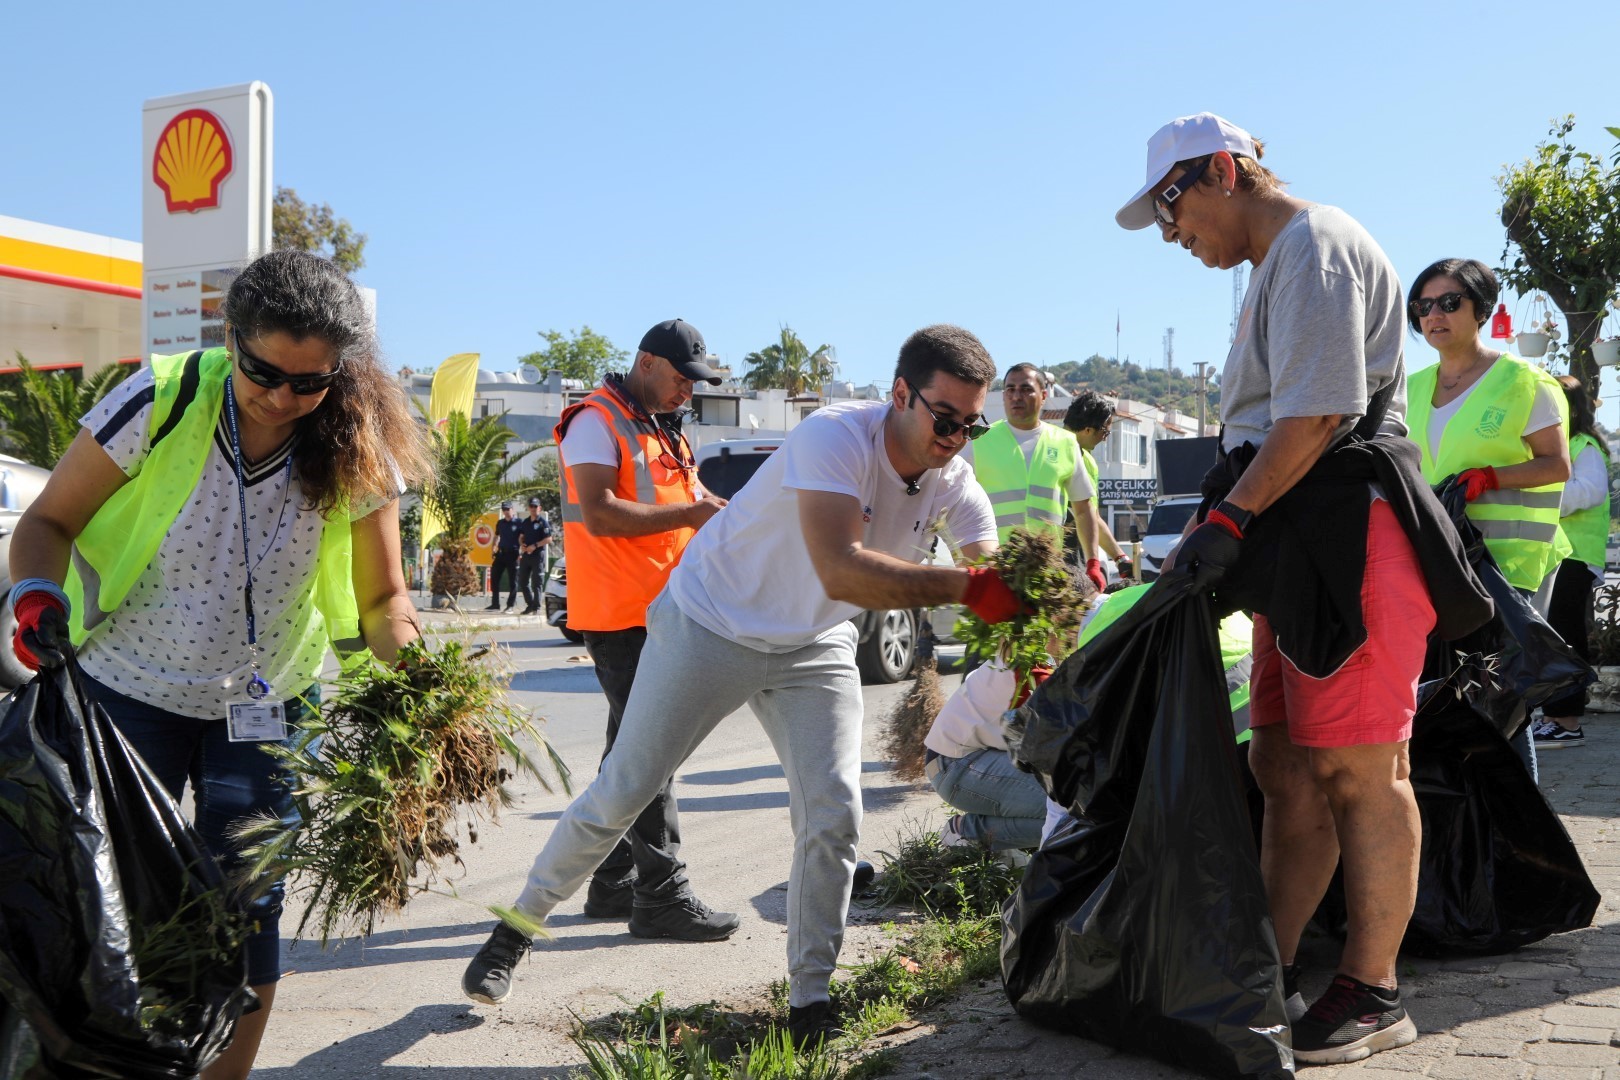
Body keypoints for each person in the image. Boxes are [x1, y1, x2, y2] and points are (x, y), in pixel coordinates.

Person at [462, 324, 1015, 1046]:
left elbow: (992, 559)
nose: (957, 438)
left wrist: (1026, 598)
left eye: (972, 425)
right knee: (626, 787)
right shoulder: (834, 436)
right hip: (711, 622)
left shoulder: (955, 479)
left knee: (834, 811)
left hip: (812, 645)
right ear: (901, 394)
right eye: (946, 419)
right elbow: (840, 570)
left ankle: (809, 1002)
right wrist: (972, 588)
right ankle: (516, 929)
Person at [1117, 112, 1489, 1064]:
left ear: (1225, 172)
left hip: (1347, 537)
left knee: (1361, 770)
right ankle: (1269, 972)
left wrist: (1227, 521)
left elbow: (1319, 412)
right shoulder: (1272, 269)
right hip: (1303, 543)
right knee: (1283, 767)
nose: (1175, 235)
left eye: (1173, 209)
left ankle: (1373, 991)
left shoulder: (1315, 244)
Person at [6, 249, 431, 1080]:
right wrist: (34, 594)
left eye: (309, 383)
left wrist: (419, 672)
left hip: (269, 703)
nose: (283, 398)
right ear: (229, 339)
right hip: (129, 694)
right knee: (116, 895)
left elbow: (385, 601)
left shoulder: (358, 439)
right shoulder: (157, 400)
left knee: (248, 901)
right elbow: (49, 521)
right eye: (263, 371)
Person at [552, 317, 734, 936]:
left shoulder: (659, 427)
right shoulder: (594, 422)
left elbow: (691, 509)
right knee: (650, 756)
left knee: (627, 756)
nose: (690, 391)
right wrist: (694, 510)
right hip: (621, 617)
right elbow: (600, 514)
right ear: (647, 363)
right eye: (683, 379)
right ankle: (661, 896)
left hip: (664, 612)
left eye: (696, 383)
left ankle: (612, 884)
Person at [1404, 257, 1571, 779]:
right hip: (1439, 560)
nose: (1435, 315)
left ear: (1481, 310)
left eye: (1450, 302)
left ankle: (1522, 830)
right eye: (1424, 306)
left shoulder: (1524, 381)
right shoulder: (1409, 387)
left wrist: (1492, 477)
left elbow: (1557, 464)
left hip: (1511, 566)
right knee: (1450, 695)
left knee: (1501, 700)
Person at [966, 363, 1104, 592]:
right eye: (1010, 389)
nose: (1016, 396)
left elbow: (1083, 509)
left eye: (1025, 389)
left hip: (1048, 572)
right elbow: (954, 503)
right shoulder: (978, 441)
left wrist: (1093, 562)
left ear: (1043, 396)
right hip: (995, 571)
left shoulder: (1066, 443)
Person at [1534, 374, 1609, 749]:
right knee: (1555, 633)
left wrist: (1541, 499)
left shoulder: (1584, 445)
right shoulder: (1565, 446)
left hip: (1575, 555)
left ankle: (1565, 719)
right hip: (1559, 554)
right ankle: (1554, 717)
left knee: (1564, 636)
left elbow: (1591, 491)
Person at [1062, 391, 1133, 580]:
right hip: (1061, 558)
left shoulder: (1087, 460)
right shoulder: (1068, 455)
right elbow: (1086, 514)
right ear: (1087, 430)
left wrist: (1120, 556)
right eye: (1105, 431)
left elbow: (1091, 516)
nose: (1105, 438)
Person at [516, 496, 552, 614]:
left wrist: (535, 546)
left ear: (539, 508)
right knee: (522, 581)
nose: (533, 508)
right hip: (526, 555)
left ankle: (536, 607)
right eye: (531, 506)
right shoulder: (525, 522)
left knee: (537, 582)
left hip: (537, 555)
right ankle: (530, 604)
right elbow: (521, 537)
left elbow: (549, 539)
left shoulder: (543, 522)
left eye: (535, 506)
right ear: (528, 508)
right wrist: (522, 544)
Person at [487, 501, 521, 611]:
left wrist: (521, 553)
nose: (506, 512)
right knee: (494, 578)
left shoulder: (519, 523)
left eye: (508, 509)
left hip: (513, 554)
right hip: (501, 553)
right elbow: (497, 536)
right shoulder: (500, 523)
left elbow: (523, 538)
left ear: (512, 509)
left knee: (513, 581)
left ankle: (510, 605)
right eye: (504, 510)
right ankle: (495, 604)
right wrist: (493, 547)